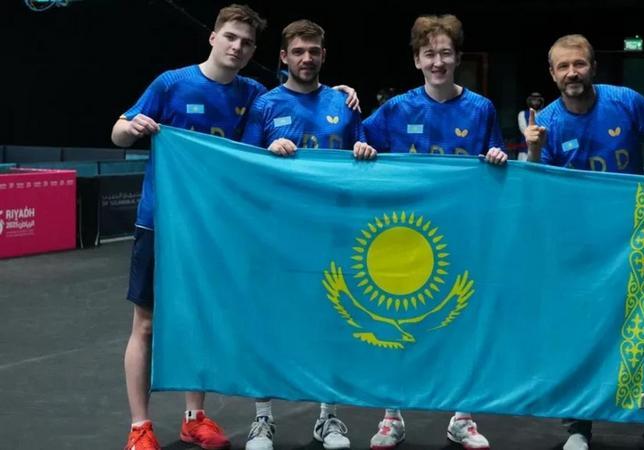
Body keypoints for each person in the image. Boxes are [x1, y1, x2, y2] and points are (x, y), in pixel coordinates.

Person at [523, 34, 644, 450]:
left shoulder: (624, 101)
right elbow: (536, 187)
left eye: (579, 64)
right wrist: (533, 151)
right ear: (552, 74)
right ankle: (579, 427)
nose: (572, 73)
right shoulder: (547, 123)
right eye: (563, 66)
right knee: (579, 329)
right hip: (579, 243)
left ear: (593, 67)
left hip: (637, 234)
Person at [111, 5, 267, 450]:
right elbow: (117, 132)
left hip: (213, 228)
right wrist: (132, 127)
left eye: (247, 43)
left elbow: (296, 101)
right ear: (213, 37)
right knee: (146, 324)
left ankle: (194, 418)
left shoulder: (254, 93)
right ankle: (140, 426)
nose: (237, 47)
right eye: (231, 37)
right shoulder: (171, 83)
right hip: (160, 222)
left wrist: (340, 92)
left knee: (199, 320)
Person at [363, 13, 505, 450]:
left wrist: (497, 157)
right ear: (417, 60)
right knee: (398, 325)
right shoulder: (396, 109)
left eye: (445, 53)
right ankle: (391, 417)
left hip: (462, 236)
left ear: (458, 58)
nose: (438, 62)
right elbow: (359, 142)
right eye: (429, 54)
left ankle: (463, 417)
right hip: (406, 237)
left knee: (461, 326)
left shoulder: (481, 109)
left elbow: (497, 165)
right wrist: (362, 147)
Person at [240, 19, 376, 450]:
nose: (306, 58)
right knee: (268, 325)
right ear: (283, 57)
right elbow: (242, 166)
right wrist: (266, 153)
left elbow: (364, 157)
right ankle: (262, 420)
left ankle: (328, 418)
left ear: (323, 55)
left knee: (329, 324)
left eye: (314, 51)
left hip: (332, 236)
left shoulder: (344, 103)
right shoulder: (265, 105)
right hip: (276, 237)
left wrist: (363, 151)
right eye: (298, 51)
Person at [516, 92, 545, 160]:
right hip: (525, 150)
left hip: (542, 151)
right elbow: (524, 130)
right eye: (533, 99)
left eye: (538, 100)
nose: (535, 102)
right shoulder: (522, 114)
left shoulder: (545, 113)